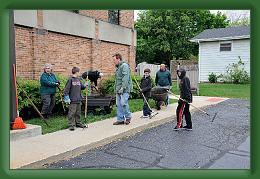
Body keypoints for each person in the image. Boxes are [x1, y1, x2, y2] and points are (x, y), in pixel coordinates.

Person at [63, 67, 87, 131]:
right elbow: (66, 90)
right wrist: (66, 97)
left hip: (78, 99)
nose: (79, 73)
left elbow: (82, 87)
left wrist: (85, 85)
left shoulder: (78, 79)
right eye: (79, 72)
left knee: (78, 113)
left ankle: (78, 123)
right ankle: (71, 125)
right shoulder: (70, 80)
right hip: (72, 99)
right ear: (76, 72)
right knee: (72, 113)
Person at [113, 53, 133, 125]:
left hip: (124, 89)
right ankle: (120, 119)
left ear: (118, 59)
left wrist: (123, 88)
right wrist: (116, 88)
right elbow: (117, 79)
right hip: (118, 89)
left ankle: (128, 117)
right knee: (118, 104)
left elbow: (125, 78)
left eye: (114, 60)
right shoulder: (118, 67)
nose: (114, 61)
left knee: (123, 103)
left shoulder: (124, 66)